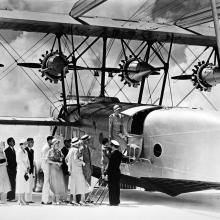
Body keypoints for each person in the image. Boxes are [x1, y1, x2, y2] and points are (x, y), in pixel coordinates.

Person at [66, 137, 89, 205]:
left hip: (72, 170)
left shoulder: (70, 150)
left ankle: (74, 200)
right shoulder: (76, 150)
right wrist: (82, 162)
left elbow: (66, 159)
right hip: (78, 169)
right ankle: (82, 200)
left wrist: (69, 167)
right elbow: (76, 159)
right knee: (82, 184)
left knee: (73, 185)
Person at [48, 138, 66, 204]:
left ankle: (57, 199)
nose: (58, 145)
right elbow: (48, 160)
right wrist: (56, 163)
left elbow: (62, 158)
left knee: (59, 184)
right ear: (54, 144)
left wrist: (61, 162)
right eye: (57, 143)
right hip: (53, 169)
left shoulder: (59, 151)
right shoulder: (50, 151)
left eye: (58, 144)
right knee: (54, 184)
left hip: (58, 169)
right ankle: (54, 200)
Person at [107, 140, 122, 206]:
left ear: (113, 146)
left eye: (111, 146)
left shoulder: (113, 155)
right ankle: (117, 201)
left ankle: (112, 202)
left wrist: (106, 172)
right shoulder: (120, 154)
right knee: (117, 187)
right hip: (117, 172)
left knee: (112, 187)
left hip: (112, 173)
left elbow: (110, 165)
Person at [16, 139, 30, 205]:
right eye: (24, 144)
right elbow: (20, 162)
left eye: (26, 144)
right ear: (21, 145)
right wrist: (25, 169)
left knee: (24, 184)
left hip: (25, 170)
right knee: (20, 184)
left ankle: (23, 199)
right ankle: (20, 200)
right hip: (21, 170)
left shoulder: (26, 151)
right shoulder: (19, 152)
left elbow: (27, 160)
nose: (26, 145)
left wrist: (28, 167)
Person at [41, 135, 53, 205]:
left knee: (47, 183)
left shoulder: (47, 147)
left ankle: (45, 199)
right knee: (46, 183)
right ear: (49, 140)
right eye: (52, 140)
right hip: (46, 167)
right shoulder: (46, 148)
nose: (53, 141)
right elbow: (46, 159)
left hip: (47, 167)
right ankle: (45, 200)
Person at [80, 134, 92, 202]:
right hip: (84, 169)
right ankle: (83, 198)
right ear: (85, 141)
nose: (89, 141)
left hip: (88, 168)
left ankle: (87, 198)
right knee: (84, 183)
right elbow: (80, 159)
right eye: (88, 140)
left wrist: (90, 167)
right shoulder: (82, 148)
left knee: (88, 183)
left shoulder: (86, 147)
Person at [4, 137, 17, 202]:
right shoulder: (6, 150)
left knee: (13, 183)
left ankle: (11, 197)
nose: (14, 142)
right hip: (9, 170)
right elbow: (7, 161)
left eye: (14, 140)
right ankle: (10, 198)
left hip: (14, 170)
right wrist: (9, 169)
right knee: (11, 183)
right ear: (9, 142)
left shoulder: (14, 150)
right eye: (12, 141)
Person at [25, 137, 34, 203]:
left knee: (30, 185)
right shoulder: (25, 150)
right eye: (31, 142)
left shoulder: (32, 150)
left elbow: (32, 161)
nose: (32, 143)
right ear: (27, 142)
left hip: (31, 170)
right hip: (26, 170)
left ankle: (30, 199)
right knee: (27, 185)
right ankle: (26, 199)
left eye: (33, 142)